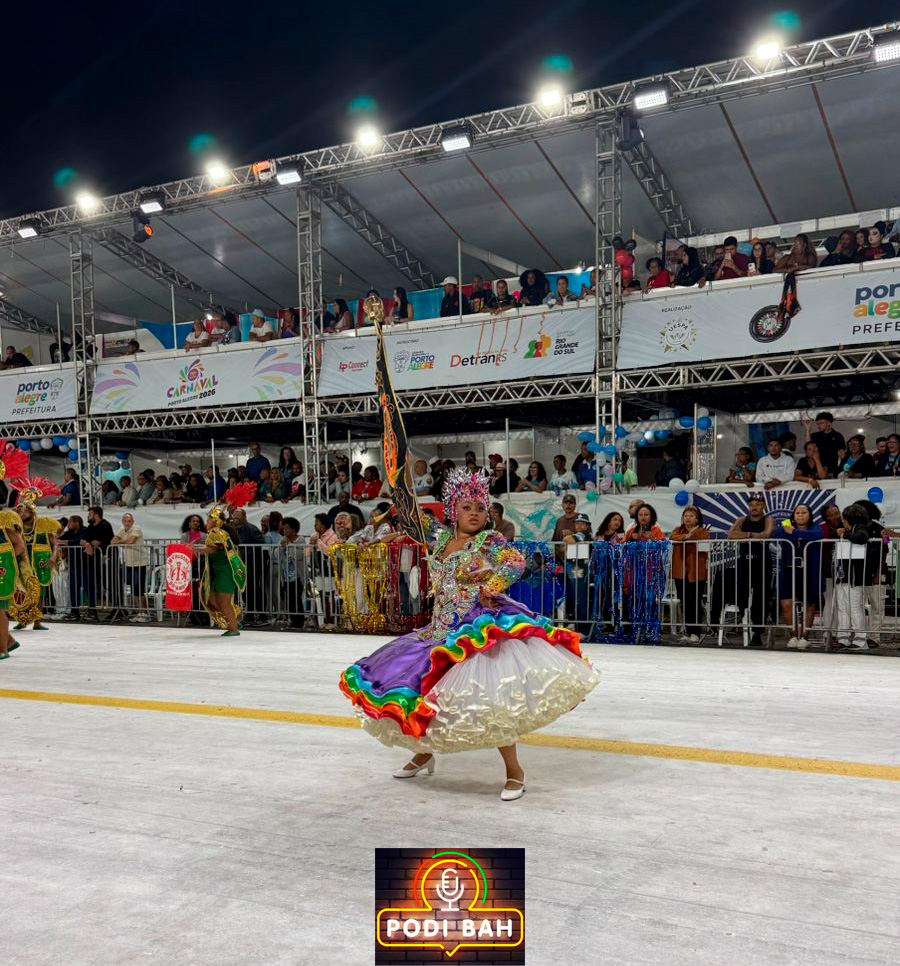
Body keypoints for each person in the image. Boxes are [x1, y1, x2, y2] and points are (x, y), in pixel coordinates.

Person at [339, 467, 599, 800]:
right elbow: (410, 515)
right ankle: (424, 753)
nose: (475, 513)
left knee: (491, 702)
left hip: (476, 629)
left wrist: (492, 583)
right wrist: (399, 484)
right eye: (466, 507)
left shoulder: (489, 541)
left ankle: (515, 772)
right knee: (424, 696)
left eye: (480, 507)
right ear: (452, 511)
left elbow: (515, 562)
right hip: (438, 630)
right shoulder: (441, 537)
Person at [194, 486, 252, 636]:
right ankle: (235, 620)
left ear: (215, 522)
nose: (206, 522)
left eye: (209, 520)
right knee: (212, 599)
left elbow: (213, 549)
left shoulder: (217, 532)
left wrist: (196, 549)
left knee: (223, 602)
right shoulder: (216, 532)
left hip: (226, 571)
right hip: (218, 571)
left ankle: (234, 628)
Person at [9, 478, 62, 632]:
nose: (21, 513)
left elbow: (55, 542)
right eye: (19, 510)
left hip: (40, 564)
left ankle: (38, 621)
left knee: (39, 593)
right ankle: (22, 620)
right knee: (21, 592)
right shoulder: (16, 527)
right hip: (23, 565)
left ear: (31, 512)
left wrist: (53, 558)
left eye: (23, 510)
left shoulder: (43, 524)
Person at [727, 494, 775, 646]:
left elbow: (766, 535)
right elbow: (730, 535)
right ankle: (744, 621)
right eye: (751, 504)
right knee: (741, 594)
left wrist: (743, 536)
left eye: (758, 504)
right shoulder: (742, 519)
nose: (754, 507)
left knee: (761, 597)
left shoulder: (768, 520)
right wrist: (751, 535)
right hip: (743, 561)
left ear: (764, 506)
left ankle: (758, 631)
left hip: (762, 562)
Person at [778, 506, 825, 649]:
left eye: (804, 513)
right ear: (793, 516)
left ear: (809, 515)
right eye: (797, 513)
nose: (800, 515)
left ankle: (805, 636)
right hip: (788, 570)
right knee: (786, 603)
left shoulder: (815, 528)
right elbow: (776, 533)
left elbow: (817, 536)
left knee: (809, 604)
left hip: (809, 571)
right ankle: (792, 635)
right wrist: (794, 532)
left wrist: (793, 532)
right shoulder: (785, 527)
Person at [831, 504, 870, 650]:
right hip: (843, 575)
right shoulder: (851, 530)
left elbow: (862, 538)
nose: (843, 522)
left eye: (844, 519)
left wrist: (844, 534)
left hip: (854, 577)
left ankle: (861, 640)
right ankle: (843, 638)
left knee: (854, 607)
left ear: (849, 519)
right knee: (843, 607)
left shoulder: (860, 528)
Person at [670, 506, 710, 643]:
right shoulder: (678, 530)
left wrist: (689, 536)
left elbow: (701, 537)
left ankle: (696, 632)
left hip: (696, 572)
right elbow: (672, 536)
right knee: (685, 602)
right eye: (686, 516)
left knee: (695, 602)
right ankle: (687, 631)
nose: (688, 518)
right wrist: (686, 536)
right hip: (680, 572)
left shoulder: (703, 531)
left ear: (697, 518)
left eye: (691, 516)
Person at [0, 505, 29, 659]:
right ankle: (9, 642)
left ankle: (2, 649)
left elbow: (20, 546)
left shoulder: (3, 522)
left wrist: (7, 561)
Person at [111, 512, 150, 623]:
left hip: (139, 563)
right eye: (125, 521)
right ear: (122, 522)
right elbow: (113, 542)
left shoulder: (136, 528)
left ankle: (145, 613)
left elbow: (131, 541)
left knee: (139, 588)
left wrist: (121, 542)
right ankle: (139, 612)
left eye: (129, 521)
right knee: (134, 589)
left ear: (132, 521)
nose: (127, 523)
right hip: (129, 563)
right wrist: (124, 542)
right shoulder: (121, 529)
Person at [805, 412, 845, 479]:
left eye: (821, 423)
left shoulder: (837, 436)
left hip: (833, 471)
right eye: (817, 424)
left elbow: (842, 454)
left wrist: (841, 470)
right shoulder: (815, 436)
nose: (818, 426)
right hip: (818, 470)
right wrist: (807, 429)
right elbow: (808, 446)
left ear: (829, 423)